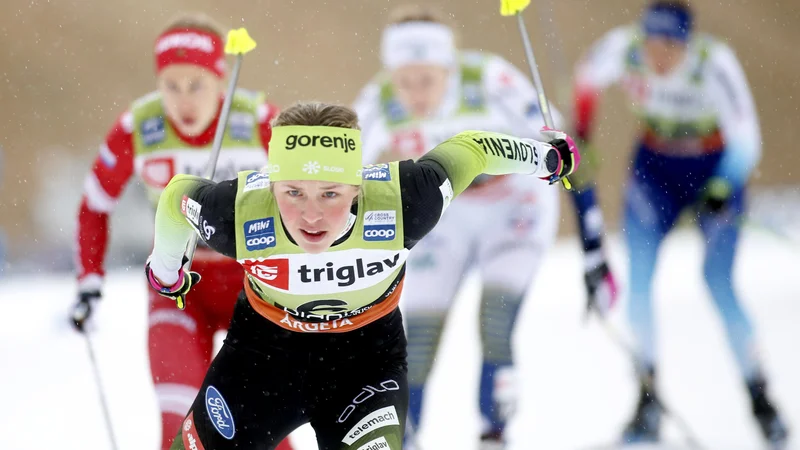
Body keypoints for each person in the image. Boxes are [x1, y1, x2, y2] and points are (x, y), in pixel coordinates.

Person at [143, 101, 579, 449]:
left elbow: (473, 149)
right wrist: (167, 270)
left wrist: (545, 157)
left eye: (330, 194)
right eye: (293, 192)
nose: (311, 215)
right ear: (271, 184)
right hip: (262, 360)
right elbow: (177, 195)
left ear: (358, 186)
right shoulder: (238, 212)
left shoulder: (404, 200)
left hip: (364, 364)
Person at [351, 5, 586, 448]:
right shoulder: (380, 96)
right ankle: (405, 435)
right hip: (448, 215)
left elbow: (562, 141)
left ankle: (494, 433)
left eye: (427, 80)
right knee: (416, 338)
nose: (415, 93)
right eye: (405, 81)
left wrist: (591, 240)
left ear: (449, 67)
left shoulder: (486, 78)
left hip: (515, 206)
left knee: (495, 321)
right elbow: (343, 163)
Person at [67, 13, 293, 450]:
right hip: (176, 286)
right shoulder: (140, 127)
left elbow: (318, 192)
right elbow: (94, 205)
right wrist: (90, 280)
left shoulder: (258, 120)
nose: (183, 100)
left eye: (197, 85)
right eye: (171, 85)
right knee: (180, 417)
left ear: (221, 81)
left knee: (257, 421)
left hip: (253, 287)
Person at [571, 0, 789, 446]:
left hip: (713, 168)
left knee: (718, 282)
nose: (659, 56)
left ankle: (761, 399)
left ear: (688, 43)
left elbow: (747, 138)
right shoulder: (623, 49)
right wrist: (584, 134)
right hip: (655, 173)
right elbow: (585, 79)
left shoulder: (714, 62)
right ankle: (647, 402)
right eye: (653, 44)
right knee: (641, 283)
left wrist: (722, 188)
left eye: (671, 46)